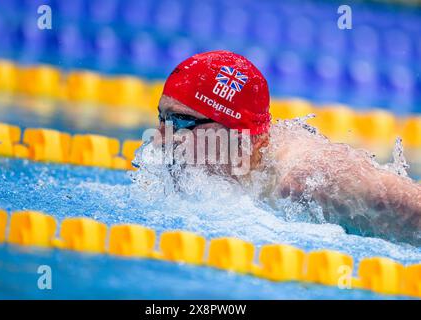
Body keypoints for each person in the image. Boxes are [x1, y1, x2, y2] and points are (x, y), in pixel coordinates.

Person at [152, 50, 421, 245]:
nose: (160, 139)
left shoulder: (310, 179)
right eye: (162, 117)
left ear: (241, 136)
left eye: (181, 121)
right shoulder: (221, 173)